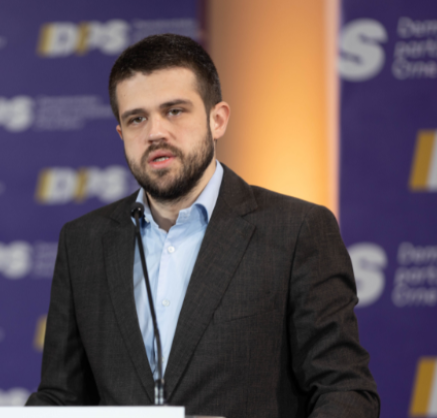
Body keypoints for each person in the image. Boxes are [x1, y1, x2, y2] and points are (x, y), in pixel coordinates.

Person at [25, 34, 379, 417]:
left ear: (217, 119)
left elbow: (345, 390)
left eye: (175, 111)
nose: (155, 132)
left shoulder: (296, 231)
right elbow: (61, 397)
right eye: (137, 119)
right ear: (121, 134)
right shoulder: (83, 242)